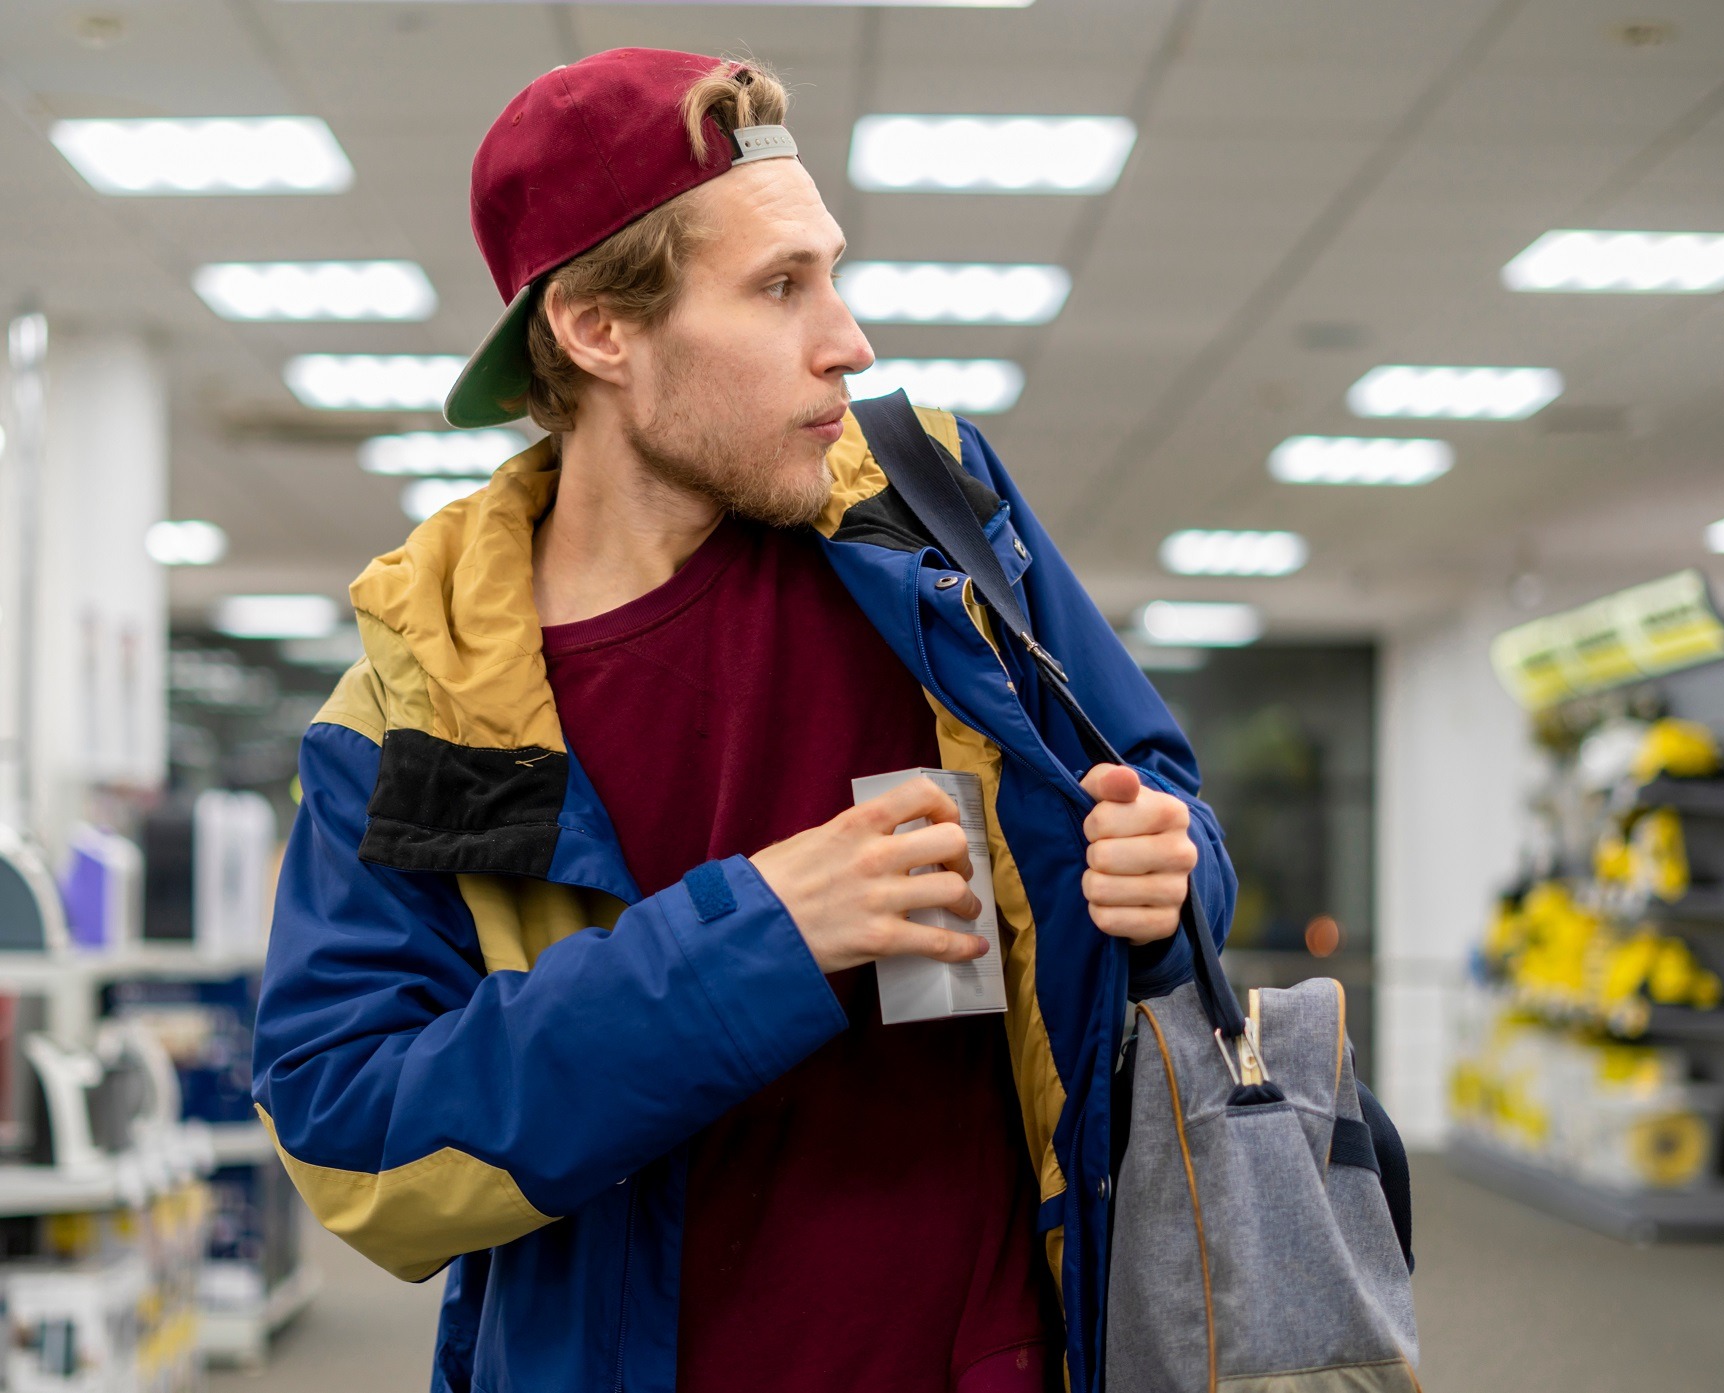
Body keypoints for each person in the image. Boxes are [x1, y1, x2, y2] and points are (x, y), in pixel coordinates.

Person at [252, 48, 1235, 1393]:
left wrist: (1169, 868)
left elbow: (1151, 785)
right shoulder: (422, 698)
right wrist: (762, 937)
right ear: (601, 329)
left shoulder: (928, 513)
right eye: (780, 287)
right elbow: (351, 1134)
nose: (850, 338)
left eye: (828, 271)